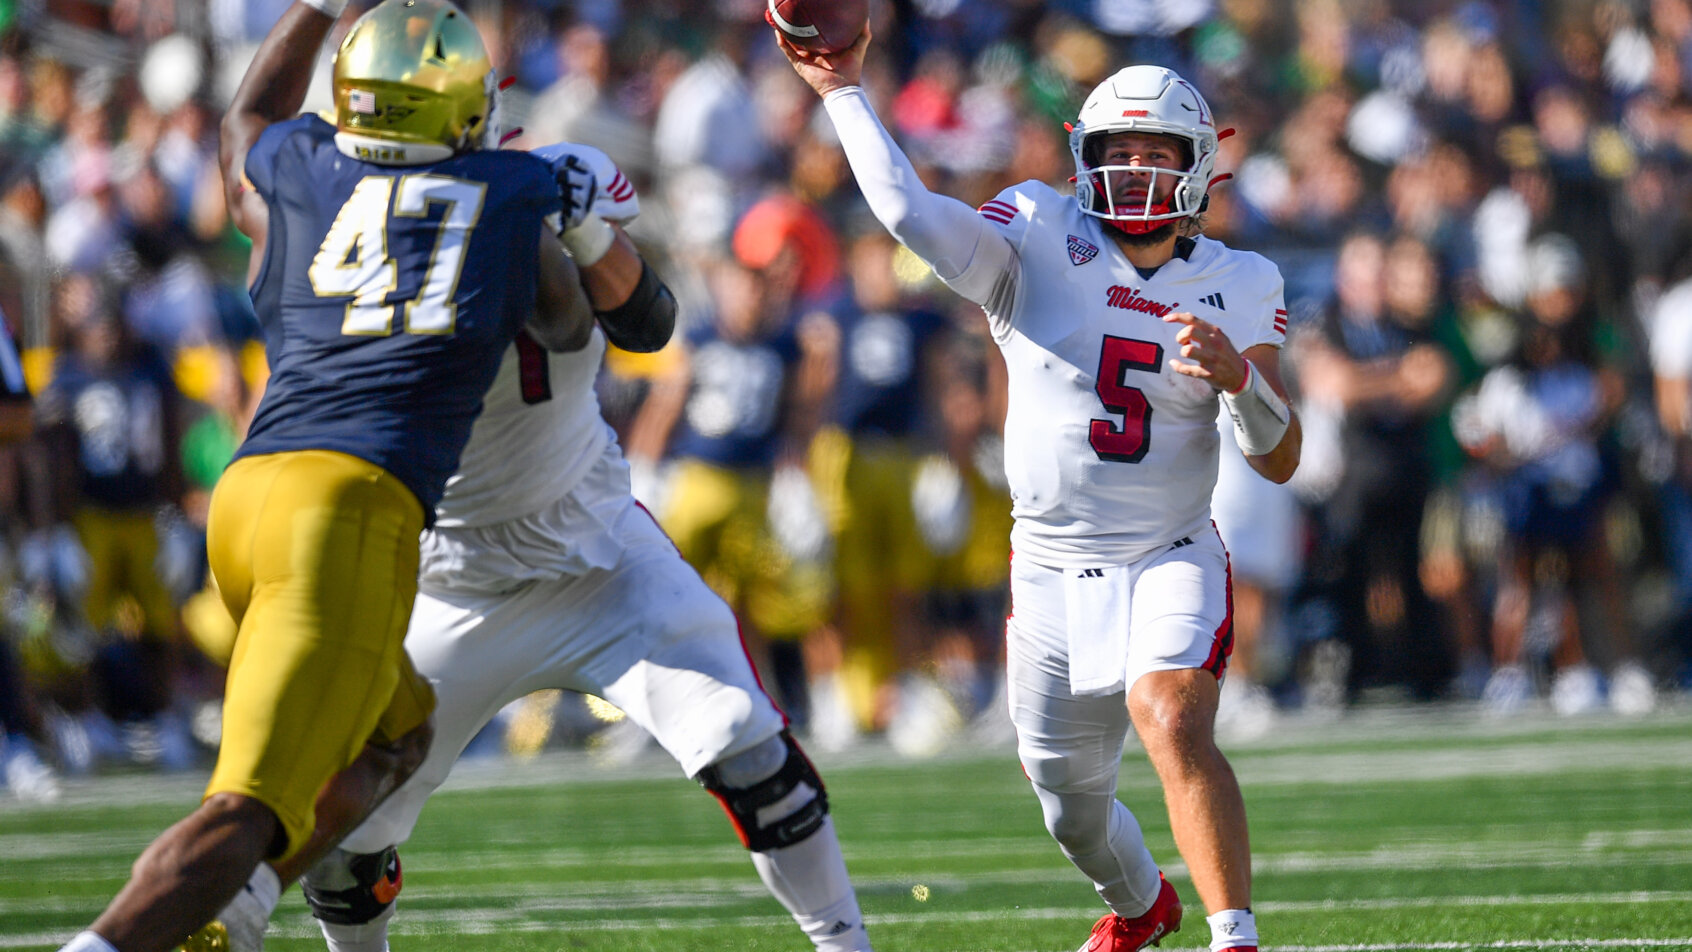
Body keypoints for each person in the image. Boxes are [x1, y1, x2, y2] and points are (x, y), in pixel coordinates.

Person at [196, 143, 875, 952]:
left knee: (751, 751)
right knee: (346, 838)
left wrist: (586, 230)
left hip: (595, 549)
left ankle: (846, 945)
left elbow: (648, 322)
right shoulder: (352, 229)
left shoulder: (548, 177)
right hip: (443, 577)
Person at [54, 1, 596, 950]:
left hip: (250, 493)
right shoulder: (509, 191)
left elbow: (241, 127)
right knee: (242, 812)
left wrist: (312, 6)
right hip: (349, 511)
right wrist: (581, 230)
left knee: (399, 737)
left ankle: (250, 896)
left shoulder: (304, 167)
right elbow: (570, 326)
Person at [780, 28, 1299, 952]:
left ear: (1199, 166)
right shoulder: (1034, 230)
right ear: (1082, 159)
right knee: (1069, 805)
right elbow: (906, 211)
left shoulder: (1241, 279)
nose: (1135, 170)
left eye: (1156, 153)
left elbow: (1280, 456)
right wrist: (844, 92)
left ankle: (1236, 937)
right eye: (1118, 152)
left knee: (1172, 713)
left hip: (1169, 547)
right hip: (1052, 565)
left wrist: (1240, 380)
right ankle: (1143, 906)